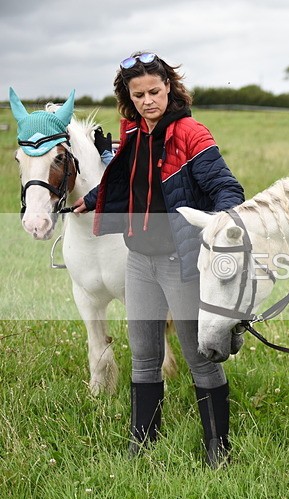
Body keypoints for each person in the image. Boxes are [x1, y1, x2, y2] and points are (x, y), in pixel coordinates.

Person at [73, 51, 245, 468]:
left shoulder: (191, 134)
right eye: (139, 95)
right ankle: (142, 443)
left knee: (198, 355)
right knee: (144, 355)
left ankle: (217, 448)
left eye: (155, 91)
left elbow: (227, 186)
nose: (149, 100)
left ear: (169, 87)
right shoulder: (132, 133)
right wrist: (93, 200)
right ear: (128, 98)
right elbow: (128, 181)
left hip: (179, 260)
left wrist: (222, 220)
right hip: (139, 259)